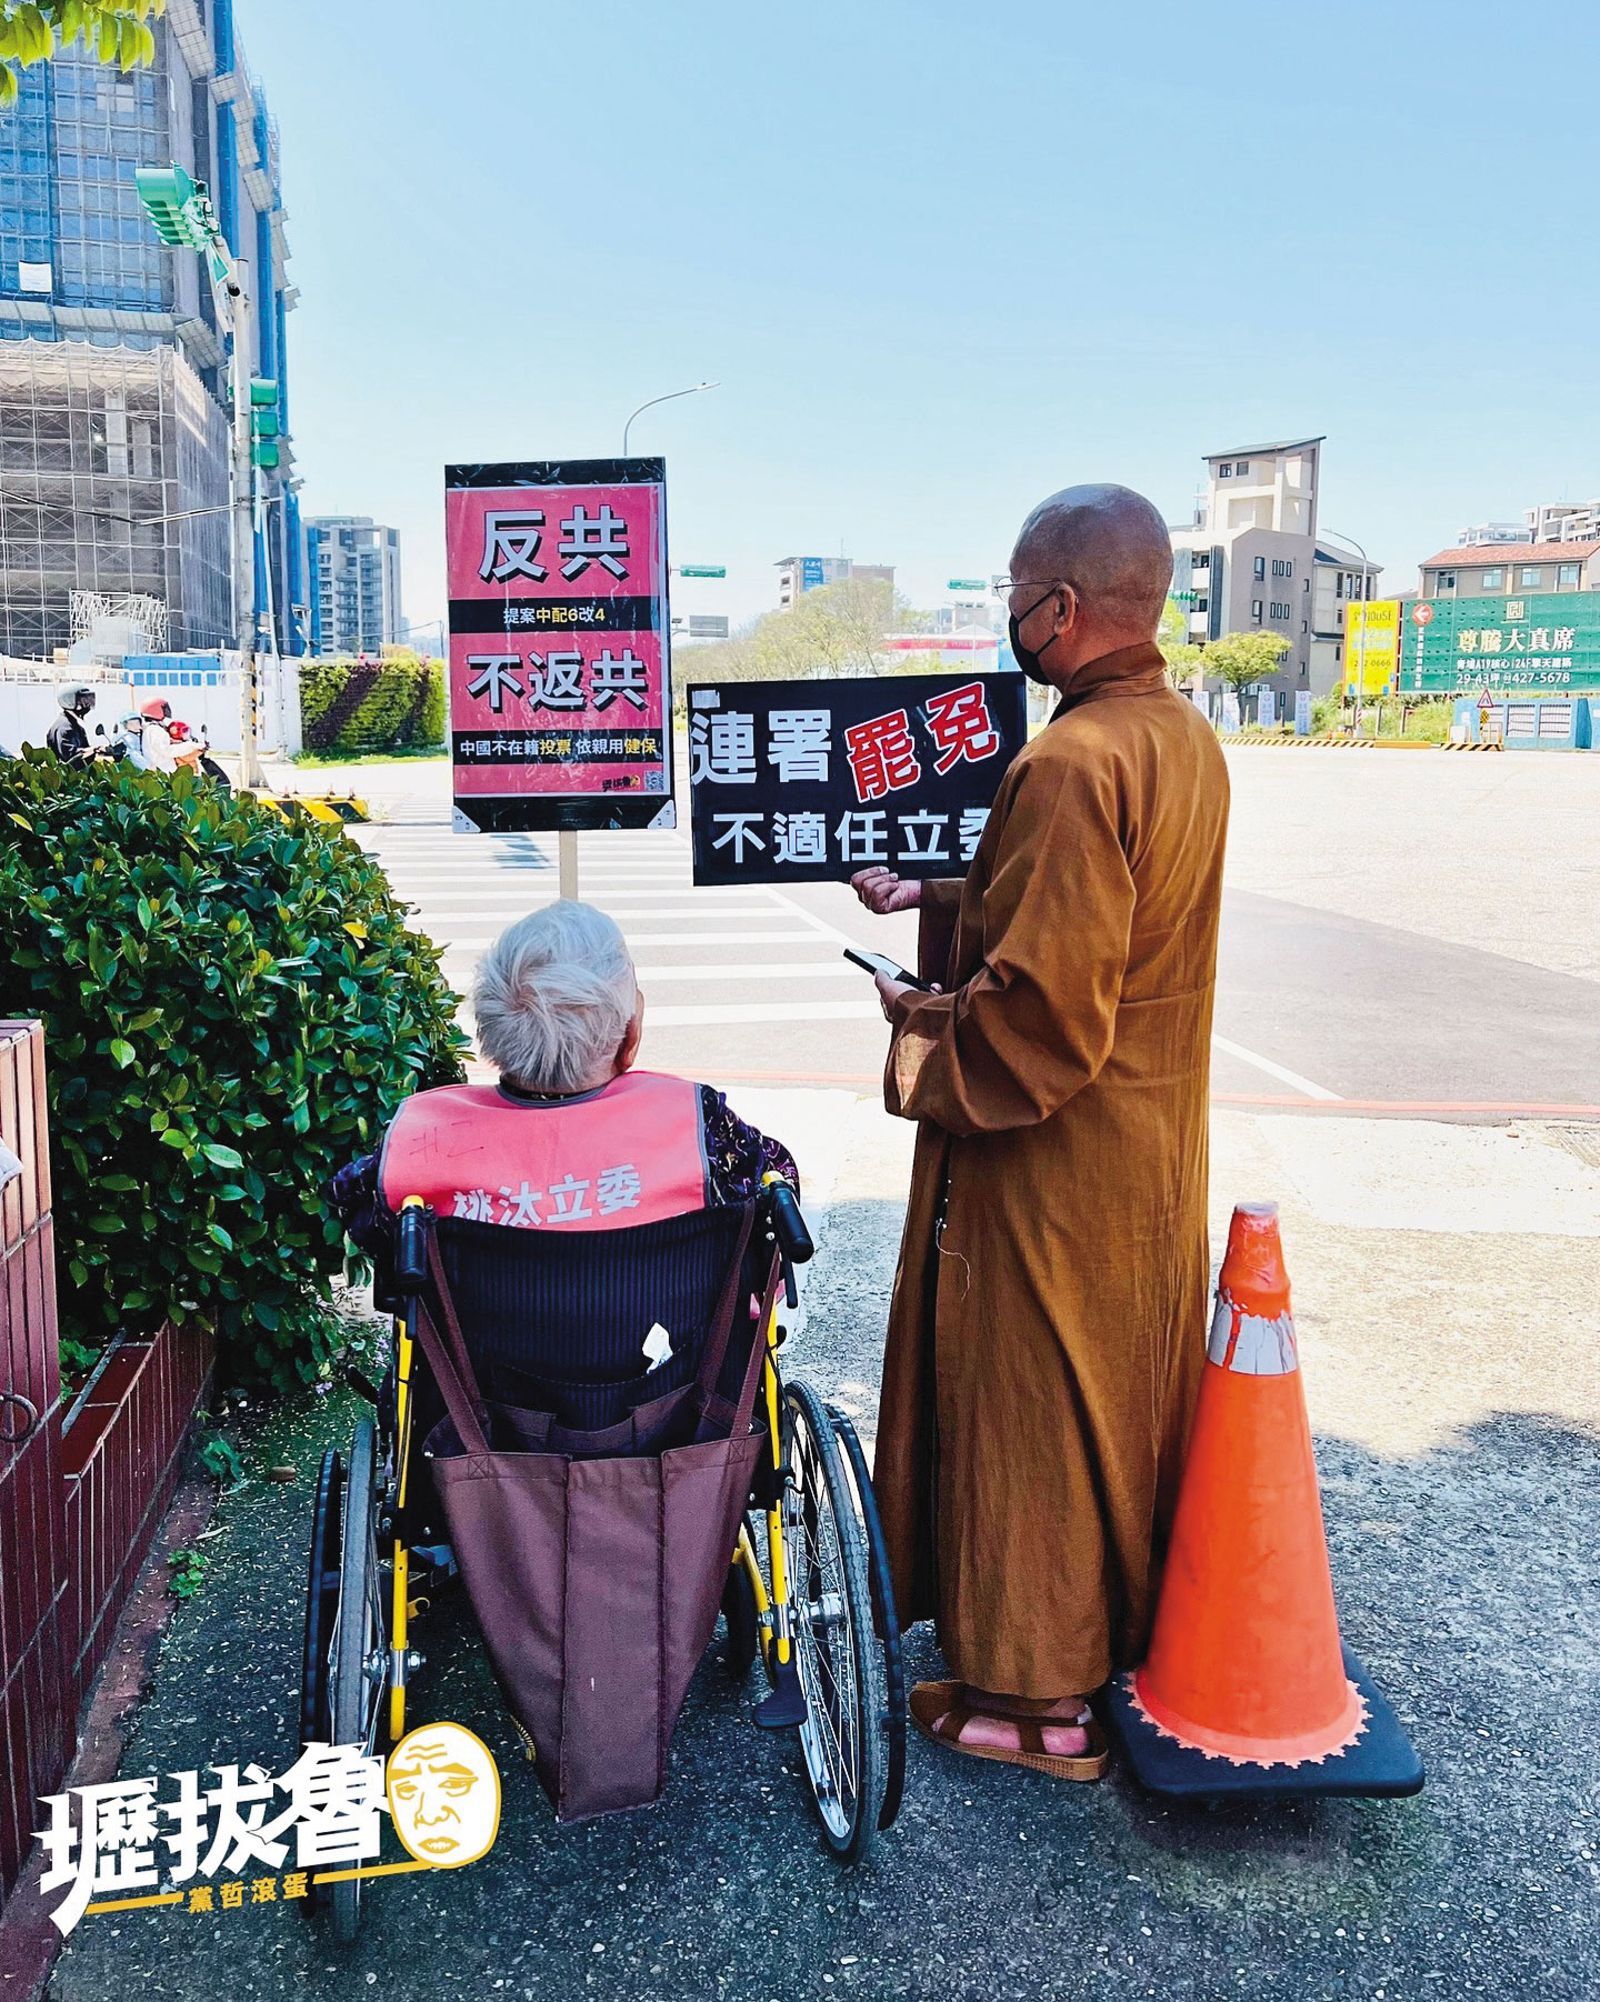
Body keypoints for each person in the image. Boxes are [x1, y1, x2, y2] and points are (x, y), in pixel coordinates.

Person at [851, 482, 1229, 1781]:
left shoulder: (1068, 760)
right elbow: (1085, 919)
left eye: (1013, 592)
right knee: (1116, 1396)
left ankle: (1036, 1698)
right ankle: (1110, 1635)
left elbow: (1042, 1021)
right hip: (1149, 1152)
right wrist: (937, 890)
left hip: (1055, 1159)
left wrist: (918, 1022)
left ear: (1058, 607)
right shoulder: (1178, 738)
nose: (1006, 614)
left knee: (1035, 1410)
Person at [332, 899, 797, 1249]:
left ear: (491, 1032)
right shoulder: (699, 1125)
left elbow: (356, 1208)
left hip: (470, 1378)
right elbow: (778, 1189)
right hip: (675, 1372)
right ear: (629, 1036)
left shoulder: (419, 1141)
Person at [46, 685, 97, 767]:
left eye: (88, 700)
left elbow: (85, 749)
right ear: (69, 701)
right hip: (67, 778)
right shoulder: (64, 727)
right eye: (83, 701)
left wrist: (99, 750)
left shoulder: (74, 724)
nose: (87, 704)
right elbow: (70, 756)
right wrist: (94, 750)